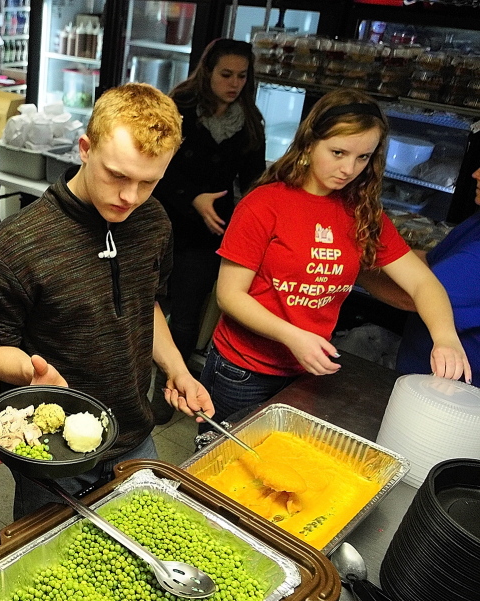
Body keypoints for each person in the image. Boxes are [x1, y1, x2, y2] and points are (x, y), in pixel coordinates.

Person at [0, 84, 215, 520]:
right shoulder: (15, 247)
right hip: (53, 447)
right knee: (49, 564)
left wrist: (176, 369)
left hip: (135, 431)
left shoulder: (153, 222)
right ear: (84, 148)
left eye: (149, 182)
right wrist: (30, 371)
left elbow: (145, 305)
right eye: (117, 175)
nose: (130, 197)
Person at [202, 88, 471, 426]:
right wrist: (293, 336)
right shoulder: (264, 204)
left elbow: (422, 282)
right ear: (309, 142)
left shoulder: (362, 212)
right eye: (338, 152)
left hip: (308, 370)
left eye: (363, 158)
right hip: (243, 370)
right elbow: (228, 295)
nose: (349, 169)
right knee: (220, 464)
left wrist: (444, 337)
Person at [153, 39, 266, 364]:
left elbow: (253, 183)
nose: (234, 84)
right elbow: (155, 167)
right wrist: (193, 198)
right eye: (226, 74)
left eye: (242, 76)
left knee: (187, 315)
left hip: (209, 232)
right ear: (208, 71)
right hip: (162, 220)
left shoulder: (249, 123)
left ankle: (167, 386)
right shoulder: (179, 108)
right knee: (144, 306)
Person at [359, 165, 480, 376]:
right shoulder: (477, 221)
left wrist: (350, 265)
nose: (475, 174)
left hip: (446, 388)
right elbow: (426, 260)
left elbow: (413, 295)